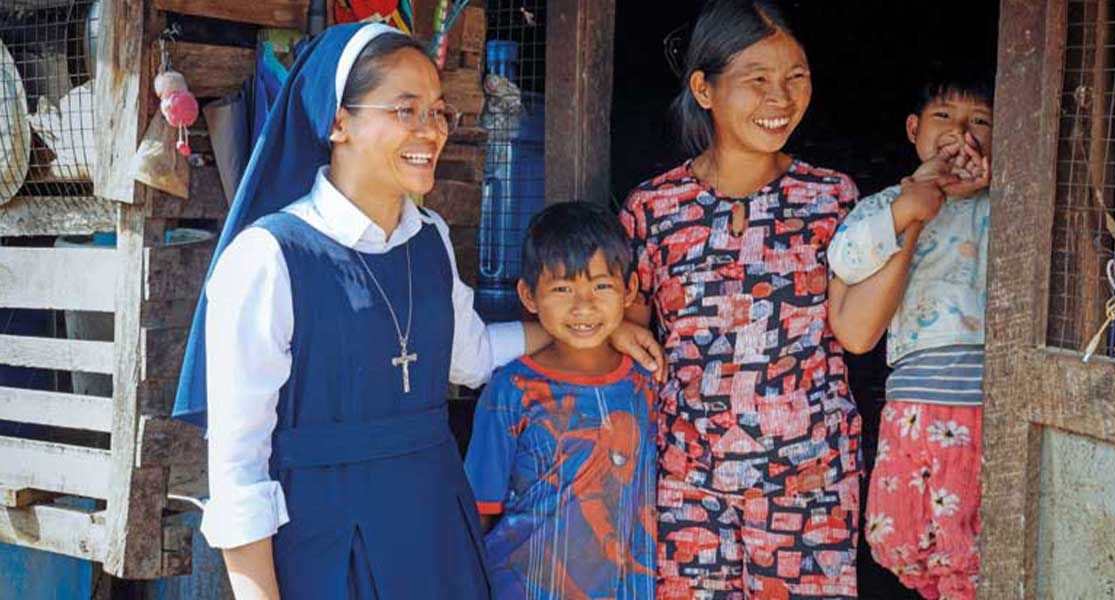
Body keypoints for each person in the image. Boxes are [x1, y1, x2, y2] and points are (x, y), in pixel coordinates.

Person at [170, 24, 664, 599]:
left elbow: (471, 354)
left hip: (433, 531)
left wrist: (591, 335)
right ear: (337, 122)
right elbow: (238, 468)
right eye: (406, 111)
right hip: (327, 541)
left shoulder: (430, 239)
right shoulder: (267, 258)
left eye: (437, 111)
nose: (431, 131)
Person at [620, 2, 862, 597]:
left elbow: (856, 331)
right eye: (757, 79)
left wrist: (908, 217)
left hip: (810, 481)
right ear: (704, 88)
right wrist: (620, 330)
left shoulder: (831, 199)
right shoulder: (654, 208)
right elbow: (631, 331)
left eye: (795, 77)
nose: (780, 98)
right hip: (689, 481)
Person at [826, 72, 993, 600]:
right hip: (915, 404)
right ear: (913, 129)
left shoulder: (1005, 207)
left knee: (976, 541)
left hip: (985, 402)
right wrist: (910, 204)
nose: (961, 133)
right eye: (944, 117)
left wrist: (1000, 178)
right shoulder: (884, 205)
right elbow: (845, 258)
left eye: (981, 122)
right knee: (900, 533)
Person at [465, 202, 657, 599]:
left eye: (601, 286)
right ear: (528, 295)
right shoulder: (510, 391)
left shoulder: (646, 384)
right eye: (562, 289)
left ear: (631, 290)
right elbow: (479, 511)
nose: (583, 305)